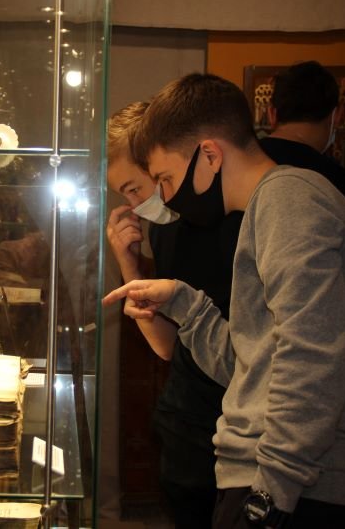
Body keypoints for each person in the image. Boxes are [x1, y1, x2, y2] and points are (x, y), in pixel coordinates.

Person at [103, 73, 345, 529]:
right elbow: (253, 367)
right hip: (268, 478)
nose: (166, 197)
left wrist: (271, 492)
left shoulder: (288, 199)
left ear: (210, 155)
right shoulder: (267, 206)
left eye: (165, 179)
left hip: (293, 488)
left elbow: (311, 355)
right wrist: (184, 304)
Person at [106, 101, 242, 527]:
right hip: (187, 420)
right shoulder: (164, 229)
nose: (133, 204)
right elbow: (167, 346)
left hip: (231, 422)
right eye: (123, 195)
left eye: (135, 187)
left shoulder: (231, 221)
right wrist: (129, 264)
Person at [261, 60, 345, 457]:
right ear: (336, 116)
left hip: (241, 368)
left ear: (271, 113)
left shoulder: (244, 168)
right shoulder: (333, 180)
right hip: (312, 375)